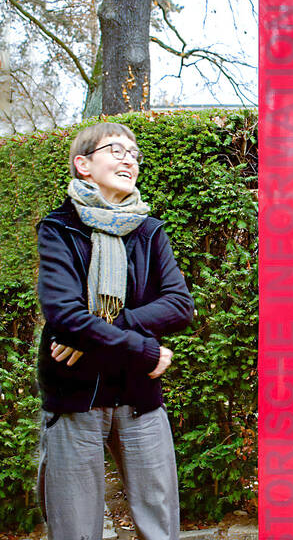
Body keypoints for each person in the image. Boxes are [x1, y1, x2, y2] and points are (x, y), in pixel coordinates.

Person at [36, 123, 194, 540]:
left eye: (134, 154)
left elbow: (179, 306)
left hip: (138, 396)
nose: (130, 159)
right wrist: (143, 350)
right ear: (83, 164)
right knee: (75, 529)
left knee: (158, 525)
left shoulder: (150, 230)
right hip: (75, 396)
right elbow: (63, 315)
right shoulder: (59, 229)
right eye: (116, 150)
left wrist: (103, 330)